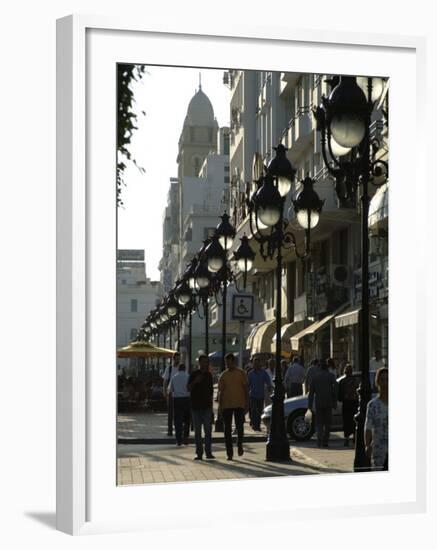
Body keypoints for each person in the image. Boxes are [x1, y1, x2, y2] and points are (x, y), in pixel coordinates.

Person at [218, 352, 249, 460]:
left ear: (233, 362)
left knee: (240, 427)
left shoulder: (241, 373)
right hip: (227, 405)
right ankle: (229, 453)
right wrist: (220, 407)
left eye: (229, 363)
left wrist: (247, 403)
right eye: (226, 363)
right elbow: (220, 392)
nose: (227, 365)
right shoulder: (223, 375)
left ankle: (239, 444)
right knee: (227, 430)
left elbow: (246, 388)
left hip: (239, 404)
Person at [187, 354, 214, 460]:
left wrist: (211, 408)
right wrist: (195, 381)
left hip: (207, 407)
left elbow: (211, 392)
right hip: (196, 407)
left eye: (207, 362)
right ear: (199, 363)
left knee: (208, 431)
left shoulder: (209, 375)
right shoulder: (194, 374)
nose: (205, 364)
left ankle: (208, 452)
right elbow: (188, 388)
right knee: (198, 432)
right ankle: (199, 453)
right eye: (203, 362)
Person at [308, 360, 337, 448]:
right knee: (327, 423)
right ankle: (325, 441)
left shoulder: (315, 377)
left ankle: (319, 440)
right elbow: (336, 387)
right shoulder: (331, 376)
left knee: (319, 423)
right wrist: (334, 400)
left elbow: (311, 393)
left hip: (319, 402)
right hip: (328, 402)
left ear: (320, 368)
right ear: (327, 367)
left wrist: (309, 405)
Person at [365, 367, 388, 470]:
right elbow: (368, 427)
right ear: (377, 382)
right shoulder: (373, 405)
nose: (385, 383)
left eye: (387, 379)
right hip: (379, 451)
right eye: (382, 380)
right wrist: (367, 445)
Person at [168, 363, 191, 447]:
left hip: (177, 400)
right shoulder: (188, 376)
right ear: (185, 369)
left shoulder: (174, 377)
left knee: (178, 421)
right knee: (187, 420)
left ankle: (178, 439)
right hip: (186, 399)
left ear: (178, 369)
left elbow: (170, 390)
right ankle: (185, 437)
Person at [248, 356, 272, 430]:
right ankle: (255, 425)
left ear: (260, 364)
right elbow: (247, 384)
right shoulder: (250, 373)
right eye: (255, 364)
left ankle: (257, 425)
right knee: (254, 411)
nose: (256, 365)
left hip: (261, 395)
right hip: (253, 395)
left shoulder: (263, 373)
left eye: (257, 364)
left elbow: (268, 382)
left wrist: (269, 388)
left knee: (259, 411)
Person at [337, 363, 359, 446]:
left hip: (346, 404)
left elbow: (339, 395)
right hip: (354, 403)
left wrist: (343, 398)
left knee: (346, 422)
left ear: (345, 372)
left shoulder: (342, 381)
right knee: (354, 421)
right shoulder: (356, 381)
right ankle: (354, 438)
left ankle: (346, 439)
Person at [162, 352, 180, 436]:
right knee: (170, 413)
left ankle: (178, 429)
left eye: (178, 358)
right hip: (171, 393)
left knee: (178, 413)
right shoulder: (169, 368)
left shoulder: (181, 368)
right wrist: (165, 392)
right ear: (173, 359)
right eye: (176, 358)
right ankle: (170, 430)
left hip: (179, 394)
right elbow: (165, 381)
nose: (177, 360)